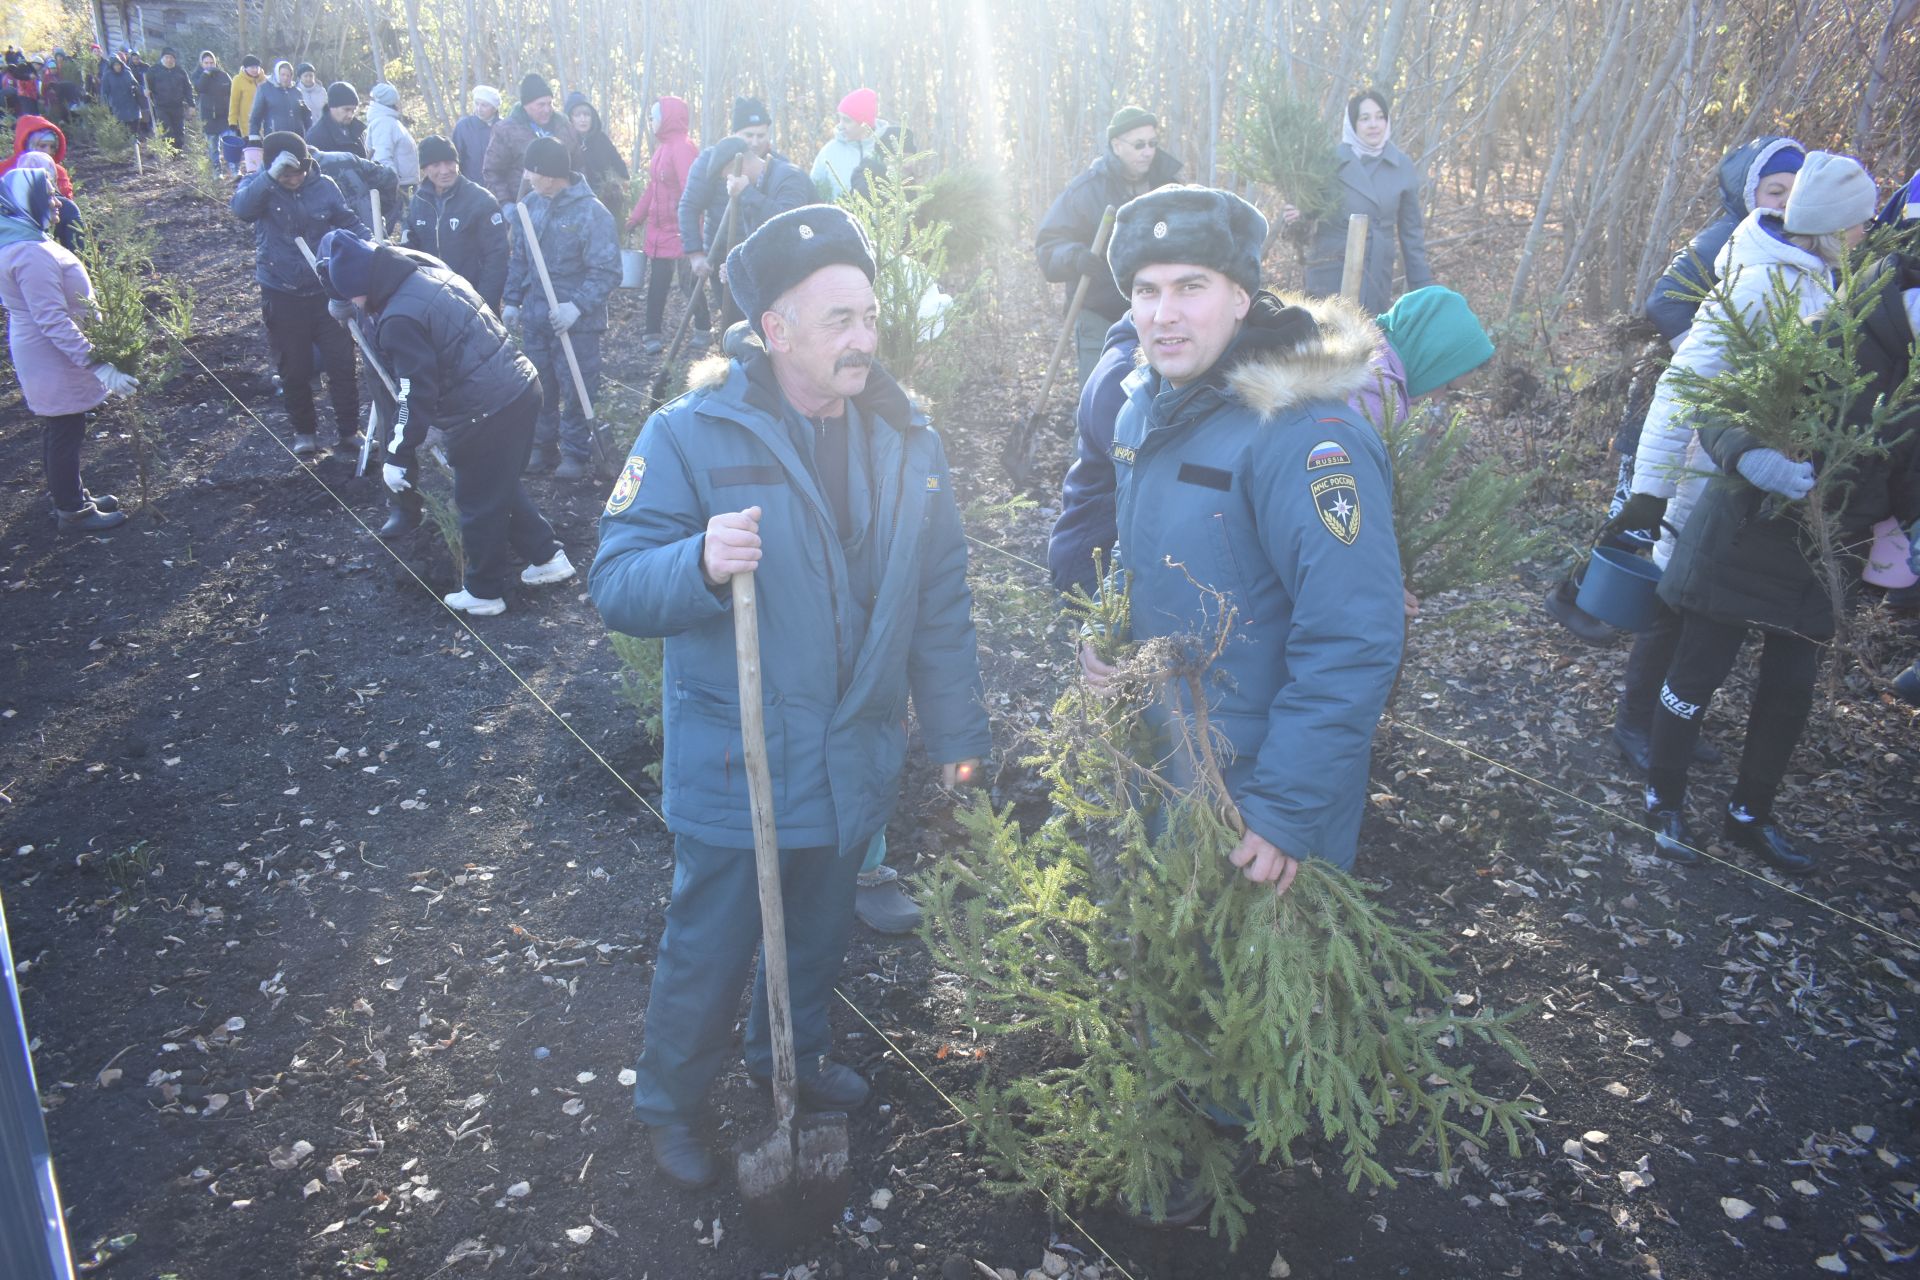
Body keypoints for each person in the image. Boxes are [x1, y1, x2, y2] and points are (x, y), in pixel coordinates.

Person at [589, 202, 989, 1190]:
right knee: (710, 944)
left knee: (815, 932)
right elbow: (616, 579)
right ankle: (671, 1103)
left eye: (868, 314)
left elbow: (939, 597)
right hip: (744, 759)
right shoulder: (691, 434)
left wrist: (956, 732)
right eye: (839, 320)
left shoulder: (906, 440)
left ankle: (790, 1062)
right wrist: (698, 560)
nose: (864, 338)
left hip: (853, 748)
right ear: (777, 330)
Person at [1076, 186, 1403, 1223]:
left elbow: (1353, 634)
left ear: (1243, 296)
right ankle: (1182, 1085)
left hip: (1257, 773)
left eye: (1191, 287)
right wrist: (1113, 644)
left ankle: (1224, 1140)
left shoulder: (1303, 441)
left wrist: (1289, 807)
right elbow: (1158, 559)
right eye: (1145, 289)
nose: (1163, 312)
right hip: (1168, 749)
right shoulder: (1146, 401)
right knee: (1177, 940)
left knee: (1245, 959)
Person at [1647, 187, 1904, 874]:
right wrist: (1753, 456)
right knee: (1697, 671)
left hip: (1824, 553)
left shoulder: (1909, 378)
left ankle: (1748, 816)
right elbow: (1716, 406)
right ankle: (1663, 798)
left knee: (1789, 692)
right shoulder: (1825, 336)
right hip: (1745, 534)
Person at [1604, 152, 1866, 780]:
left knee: (1701, 614)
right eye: (1858, 223)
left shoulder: (1820, 276)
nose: (1867, 234)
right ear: (1831, 225)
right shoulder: (1757, 282)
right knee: (1674, 603)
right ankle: (1635, 722)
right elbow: (1681, 389)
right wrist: (1652, 494)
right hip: (1704, 475)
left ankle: (1670, 724)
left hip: (1743, 486)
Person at [1048, 281, 1490, 601]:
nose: (1440, 399)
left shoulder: (1350, 364)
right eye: (1447, 385)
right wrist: (1373, 582)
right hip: (1106, 573)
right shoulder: (1373, 398)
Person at [1547, 137, 1805, 642]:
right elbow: (1663, 302)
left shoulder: (1777, 246)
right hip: (1664, 401)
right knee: (1636, 510)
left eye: (1794, 193)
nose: (1784, 203)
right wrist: (1707, 366)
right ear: (1748, 191)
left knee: (1664, 517)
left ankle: (1622, 605)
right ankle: (1570, 596)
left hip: (1695, 411)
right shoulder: (1723, 239)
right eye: (1775, 191)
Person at [316, 228, 576, 614]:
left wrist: (398, 455)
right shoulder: (420, 268)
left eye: (353, 294)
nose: (354, 303)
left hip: (486, 408)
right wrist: (334, 286)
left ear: (365, 283)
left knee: (475, 499)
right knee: (496, 483)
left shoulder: (399, 318)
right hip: (519, 385)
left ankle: (484, 592)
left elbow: (414, 390)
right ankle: (547, 557)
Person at [0, 168, 137, 533]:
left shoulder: (25, 239)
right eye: (48, 194)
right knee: (65, 430)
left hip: (49, 355)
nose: (58, 200)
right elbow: (53, 320)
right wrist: (99, 365)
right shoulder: (29, 252)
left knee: (63, 428)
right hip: (52, 358)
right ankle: (72, 512)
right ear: (27, 202)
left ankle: (72, 496)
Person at [231, 131, 369, 456]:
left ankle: (350, 431)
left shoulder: (324, 187)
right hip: (281, 291)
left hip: (325, 290)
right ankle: (304, 431)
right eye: (287, 173)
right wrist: (269, 177)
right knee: (294, 366)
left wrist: (373, 246)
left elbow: (348, 222)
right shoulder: (259, 188)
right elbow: (241, 210)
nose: (295, 179)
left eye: (300, 172)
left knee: (342, 363)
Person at [500, 135, 619, 481]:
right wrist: (512, 301)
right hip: (537, 317)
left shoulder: (592, 214)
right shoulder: (530, 207)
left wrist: (577, 306)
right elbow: (520, 259)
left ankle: (576, 453)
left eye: (532, 171)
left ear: (550, 175)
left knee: (577, 386)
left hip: (577, 324)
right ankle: (542, 445)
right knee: (540, 386)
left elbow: (608, 270)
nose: (527, 177)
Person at [1035, 105, 1182, 383]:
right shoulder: (1086, 190)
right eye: (1139, 145)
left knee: (1157, 400)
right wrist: (1075, 257)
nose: (1148, 152)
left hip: (1161, 314)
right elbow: (1048, 247)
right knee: (1099, 400)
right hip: (1101, 313)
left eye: (1152, 143)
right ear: (1116, 145)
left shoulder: (1169, 187)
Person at [677, 97, 812, 330]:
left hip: (761, 260)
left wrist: (747, 193)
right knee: (733, 322)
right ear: (734, 135)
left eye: (761, 135)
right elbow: (689, 206)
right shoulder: (712, 162)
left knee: (760, 323)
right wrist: (695, 253)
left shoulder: (780, 170)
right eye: (748, 135)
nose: (755, 142)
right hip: (723, 253)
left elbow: (784, 225)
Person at [1297, 88, 1434, 314]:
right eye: (1365, 118)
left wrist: (1423, 286)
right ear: (1352, 124)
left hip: (1376, 269)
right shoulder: (1327, 161)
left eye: (1380, 117)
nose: (1374, 124)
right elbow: (1305, 219)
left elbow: (1411, 233)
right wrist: (1294, 217)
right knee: (1327, 339)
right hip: (1330, 267)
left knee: (1367, 337)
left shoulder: (1402, 165)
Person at [625, 95, 707, 355]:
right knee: (658, 282)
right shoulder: (662, 148)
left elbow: (690, 191)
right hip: (660, 232)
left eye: (654, 117)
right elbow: (653, 188)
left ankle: (704, 328)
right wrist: (635, 218)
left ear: (668, 117)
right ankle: (652, 333)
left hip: (682, 230)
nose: (651, 122)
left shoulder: (683, 148)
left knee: (689, 283)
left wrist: (693, 228)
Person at [407, 134, 508, 312]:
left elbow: (497, 257)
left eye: (449, 162)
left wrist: (484, 303)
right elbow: (411, 249)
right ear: (424, 168)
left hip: (475, 300)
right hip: (433, 300)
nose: (444, 170)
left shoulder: (481, 200)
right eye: (436, 165)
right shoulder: (418, 202)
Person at [481, 72, 579, 211]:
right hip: (525, 209)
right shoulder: (505, 130)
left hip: (564, 207)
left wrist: (577, 196)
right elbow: (492, 171)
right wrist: (506, 205)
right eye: (541, 105)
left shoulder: (564, 126)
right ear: (526, 105)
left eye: (549, 103)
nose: (547, 109)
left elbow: (578, 165)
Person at [563, 90, 629, 215]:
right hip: (574, 205)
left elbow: (620, 168)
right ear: (570, 118)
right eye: (577, 115)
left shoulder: (601, 139)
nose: (583, 119)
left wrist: (618, 186)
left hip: (605, 204)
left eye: (586, 114)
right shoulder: (563, 143)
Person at [811, 87, 883, 200]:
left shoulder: (887, 149)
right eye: (840, 118)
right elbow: (812, 191)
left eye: (847, 120)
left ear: (864, 124)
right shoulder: (829, 151)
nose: (841, 125)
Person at [312, 147, 399, 238]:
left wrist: (378, 208)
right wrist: (376, 210)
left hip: (337, 244)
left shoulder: (302, 177)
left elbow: (389, 177)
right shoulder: (348, 157)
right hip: (373, 235)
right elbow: (389, 176)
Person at [365, 82, 419, 189]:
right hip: (399, 187)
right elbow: (382, 158)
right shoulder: (383, 123)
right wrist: (394, 186)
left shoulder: (390, 121)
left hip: (405, 184)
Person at [144, 48, 193, 150]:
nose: (169, 60)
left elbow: (188, 88)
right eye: (166, 57)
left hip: (177, 106)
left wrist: (191, 104)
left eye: (171, 58)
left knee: (179, 131)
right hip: (161, 107)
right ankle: (170, 154)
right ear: (162, 58)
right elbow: (146, 86)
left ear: (174, 59)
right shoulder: (154, 71)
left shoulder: (180, 72)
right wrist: (145, 91)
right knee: (167, 132)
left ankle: (178, 152)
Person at [249, 60, 310, 138]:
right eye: (283, 75)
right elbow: (255, 116)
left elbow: (306, 115)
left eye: (288, 75)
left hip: (297, 138)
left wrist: (310, 134)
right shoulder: (265, 89)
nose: (285, 78)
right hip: (274, 137)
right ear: (277, 74)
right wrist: (254, 136)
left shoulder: (297, 92)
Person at [453, 85, 501, 181]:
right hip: (471, 187)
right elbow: (455, 159)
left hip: (499, 188)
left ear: (494, 108)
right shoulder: (463, 127)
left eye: (484, 105)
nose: (479, 108)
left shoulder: (504, 127)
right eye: (476, 104)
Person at [193, 51, 231, 170]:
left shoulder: (223, 75)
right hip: (208, 116)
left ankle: (234, 169)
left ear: (215, 62)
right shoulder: (197, 75)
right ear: (201, 63)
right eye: (206, 63)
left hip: (224, 116)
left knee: (230, 143)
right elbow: (199, 88)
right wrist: (206, 74)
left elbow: (231, 90)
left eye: (212, 62)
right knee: (213, 147)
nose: (209, 65)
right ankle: (216, 170)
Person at [306, 81, 365, 157]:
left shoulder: (358, 131)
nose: (350, 115)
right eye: (346, 110)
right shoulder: (315, 137)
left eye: (353, 110)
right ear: (332, 107)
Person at [100, 51, 144, 133]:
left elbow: (136, 85)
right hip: (117, 107)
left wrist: (136, 89)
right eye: (115, 65)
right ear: (111, 66)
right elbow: (104, 93)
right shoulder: (107, 76)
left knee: (134, 127)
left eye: (118, 64)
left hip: (131, 104)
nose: (117, 66)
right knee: (123, 130)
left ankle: (135, 141)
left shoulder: (127, 73)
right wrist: (105, 108)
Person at [228, 56, 265, 138]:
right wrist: (232, 121)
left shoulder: (263, 79)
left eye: (257, 67)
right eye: (252, 67)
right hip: (247, 122)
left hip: (264, 122)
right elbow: (234, 102)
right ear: (245, 68)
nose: (255, 70)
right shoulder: (238, 80)